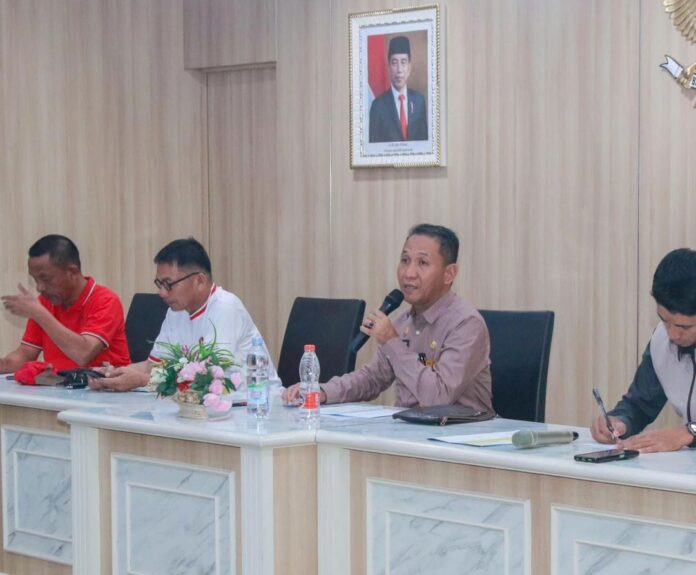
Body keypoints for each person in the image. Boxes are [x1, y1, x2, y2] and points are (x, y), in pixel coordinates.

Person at [283, 224, 493, 412]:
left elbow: (438, 396)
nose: (409, 273)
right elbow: (372, 379)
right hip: (410, 431)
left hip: (461, 436)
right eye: (405, 260)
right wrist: (321, 391)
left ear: (449, 274)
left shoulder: (466, 324)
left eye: (422, 262)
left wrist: (392, 341)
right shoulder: (403, 322)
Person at [90, 237, 275, 391]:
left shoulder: (226, 308)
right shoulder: (175, 312)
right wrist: (113, 375)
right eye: (159, 284)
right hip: (204, 409)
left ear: (200, 281)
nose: (162, 293)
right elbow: (153, 366)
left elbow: (205, 379)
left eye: (168, 284)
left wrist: (142, 381)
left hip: (254, 407)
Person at [591, 248, 696, 453]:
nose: (673, 335)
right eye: (665, 321)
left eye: (684, 327)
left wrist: (689, 431)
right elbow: (640, 404)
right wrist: (620, 421)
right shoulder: (662, 340)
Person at [0, 235, 130, 373]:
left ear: (72, 271)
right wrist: (4, 364)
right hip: (57, 384)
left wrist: (39, 314)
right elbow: (25, 354)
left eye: (46, 278)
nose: (39, 287)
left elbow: (83, 354)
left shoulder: (105, 300)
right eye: (35, 280)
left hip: (105, 384)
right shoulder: (44, 303)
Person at [369, 36, 428, 143]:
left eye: (403, 62)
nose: (399, 69)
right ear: (388, 67)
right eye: (394, 63)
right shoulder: (378, 106)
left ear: (409, 67)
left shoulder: (419, 101)